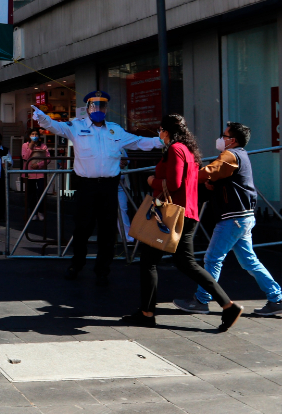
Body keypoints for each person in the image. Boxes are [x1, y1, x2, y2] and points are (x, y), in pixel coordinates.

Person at [121, 114, 243, 331]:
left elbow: (174, 183)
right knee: (182, 263)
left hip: (173, 215)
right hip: (185, 214)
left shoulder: (176, 149)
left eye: (160, 130)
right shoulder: (187, 151)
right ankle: (227, 305)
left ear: (166, 131)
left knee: (151, 262)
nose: (160, 134)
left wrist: (152, 181)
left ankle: (147, 313)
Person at [33, 91, 163, 287]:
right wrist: (42, 118)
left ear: (106, 109)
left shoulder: (115, 130)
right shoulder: (76, 127)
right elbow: (56, 127)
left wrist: (161, 140)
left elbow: (137, 142)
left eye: (102, 106)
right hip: (86, 186)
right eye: (94, 106)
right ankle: (76, 265)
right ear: (87, 108)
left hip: (109, 187)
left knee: (108, 230)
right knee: (82, 228)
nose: (98, 110)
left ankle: (103, 270)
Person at [174, 122, 282, 316]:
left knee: (213, 258)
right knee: (250, 262)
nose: (221, 139)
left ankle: (201, 300)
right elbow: (223, 178)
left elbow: (211, 170)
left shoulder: (231, 155)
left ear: (232, 140)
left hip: (233, 218)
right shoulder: (241, 155)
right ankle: (277, 298)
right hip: (243, 217)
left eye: (224, 136)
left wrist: (188, 177)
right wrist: (214, 185)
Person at [21, 129, 49, 221]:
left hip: (40, 173)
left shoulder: (43, 146)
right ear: (29, 135)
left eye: (36, 134)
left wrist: (39, 164)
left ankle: (41, 211)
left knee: (41, 191)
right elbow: (25, 157)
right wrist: (30, 147)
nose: (34, 135)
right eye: (32, 134)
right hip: (29, 173)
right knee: (31, 193)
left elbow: (48, 159)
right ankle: (33, 212)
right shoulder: (25, 145)